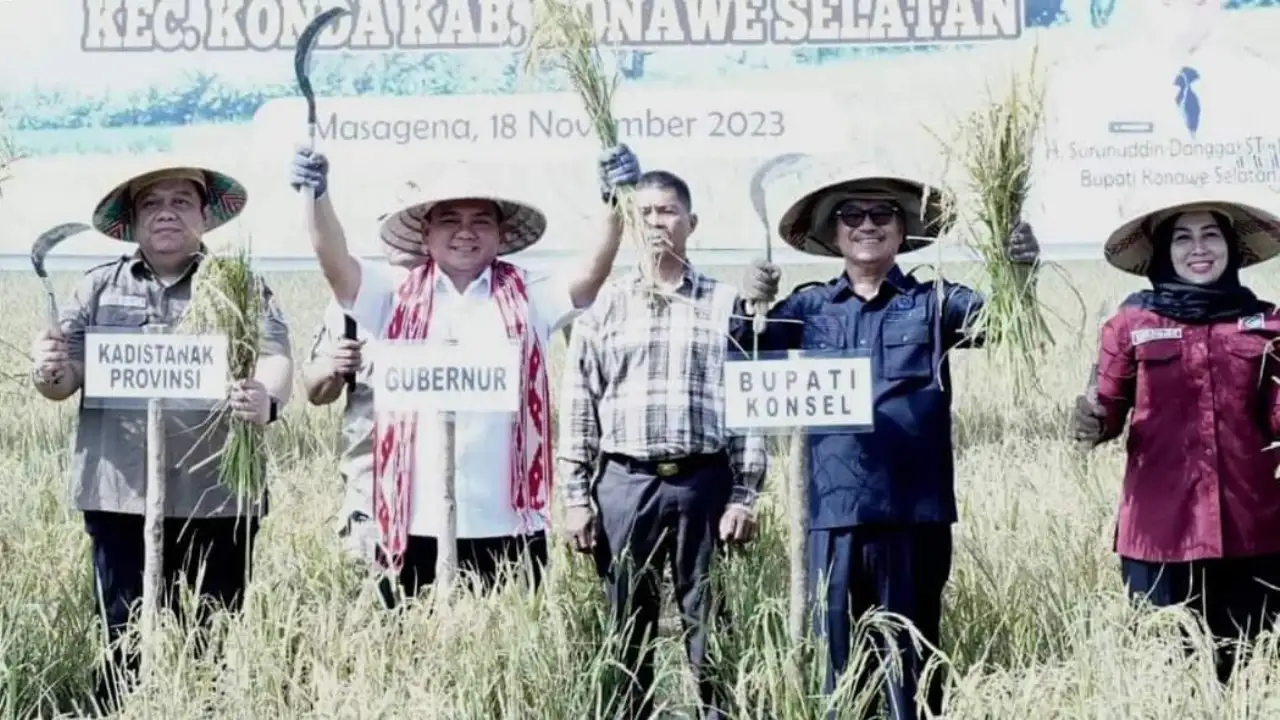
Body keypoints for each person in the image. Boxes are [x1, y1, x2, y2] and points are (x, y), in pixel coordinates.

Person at [735, 170, 1040, 719]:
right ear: (834, 234)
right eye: (852, 216)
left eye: (882, 215)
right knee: (839, 664)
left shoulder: (935, 303)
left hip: (912, 513)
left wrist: (1019, 270)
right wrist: (749, 301)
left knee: (912, 662)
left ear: (904, 230)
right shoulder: (808, 308)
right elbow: (743, 355)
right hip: (832, 514)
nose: (867, 226)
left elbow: (1006, 324)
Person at [289, 146, 632, 604]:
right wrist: (316, 194)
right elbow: (333, 259)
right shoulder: (391, 295)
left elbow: (589, 274)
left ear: (500, 233)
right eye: (450, 219)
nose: (465, 233)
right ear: (426, 232)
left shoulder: (529, 294)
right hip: (412, 521)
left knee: (505, 655)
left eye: (480, 221)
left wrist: (613, 203)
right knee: (413, 649)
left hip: (509, 520)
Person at [28, 164, 293, 710]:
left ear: (205, 216)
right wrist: (48, 368)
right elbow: (63, 381)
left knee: (210, 636)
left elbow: (274, 356)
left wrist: (264, 398)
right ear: (133, 221)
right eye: (151, 204)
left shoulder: (239, 284)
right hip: (117, 490)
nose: (167, 211)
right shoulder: (98, 286)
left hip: (216, 493)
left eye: (181, 201)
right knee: (121, 632)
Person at [557, 164, 768, 720]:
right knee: (626, 621)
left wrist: (744, 494)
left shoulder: (724, 305)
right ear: (629, 222)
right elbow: (579, 403)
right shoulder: (602, 308)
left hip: (704, 481)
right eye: (645, 212)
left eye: (668, 211)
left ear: (690, 223)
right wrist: (576, 496)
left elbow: (749, 407)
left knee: (711, 619)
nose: (656, 223)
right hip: (625, 483)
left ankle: (716, 712)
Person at [1071, 199, 1280, 684]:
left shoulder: (1267, 324)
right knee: (1171, 679)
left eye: (1211, 235)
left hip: (1253, 532)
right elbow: (1104, 413)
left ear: (1231, 247)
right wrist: (1088, 420)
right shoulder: (1130, 325)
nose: (1199, 248)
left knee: (1250, 678)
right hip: (1159, 534)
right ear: (1165, 253)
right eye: (1182, 238)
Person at [301, 236, 427, 589]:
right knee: (375, 603)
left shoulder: (463, 299)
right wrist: (333, 367)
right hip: (373, 490)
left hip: (442, 489)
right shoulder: (353, 300)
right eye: (393, 227)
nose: (405, 238)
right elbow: (315, 390)